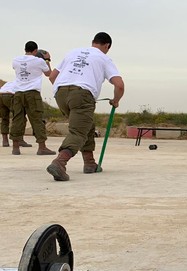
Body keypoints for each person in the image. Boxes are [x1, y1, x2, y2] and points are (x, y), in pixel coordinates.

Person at [46, 32, 124, 181]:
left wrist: (64, 91)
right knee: (78, 132)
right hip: (82, 94)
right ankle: (60, 162)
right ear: (107, 46)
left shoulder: (72, 52)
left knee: (87, 125)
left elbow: (52, 77)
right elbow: (119, 85)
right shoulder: (104, 58)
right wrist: (115, 100)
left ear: (93, 42)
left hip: (60, 93)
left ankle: (89, 163)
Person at [10, 41, 55, 156]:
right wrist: (47, 60)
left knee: (17, 118)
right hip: (32, 93)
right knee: (37, 119)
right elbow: (48, 73)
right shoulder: (39, 61)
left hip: (18, 92)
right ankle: (42, 147)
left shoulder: (15, 60)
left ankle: (15, 147)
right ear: (35, 51)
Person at [0, 81, 17, 147]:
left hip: (1, 94)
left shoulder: (8, 83)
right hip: (10, 95)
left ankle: (5, 141)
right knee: (18, 117)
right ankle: (18, 139)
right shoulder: (22, 82)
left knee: (4, 118)